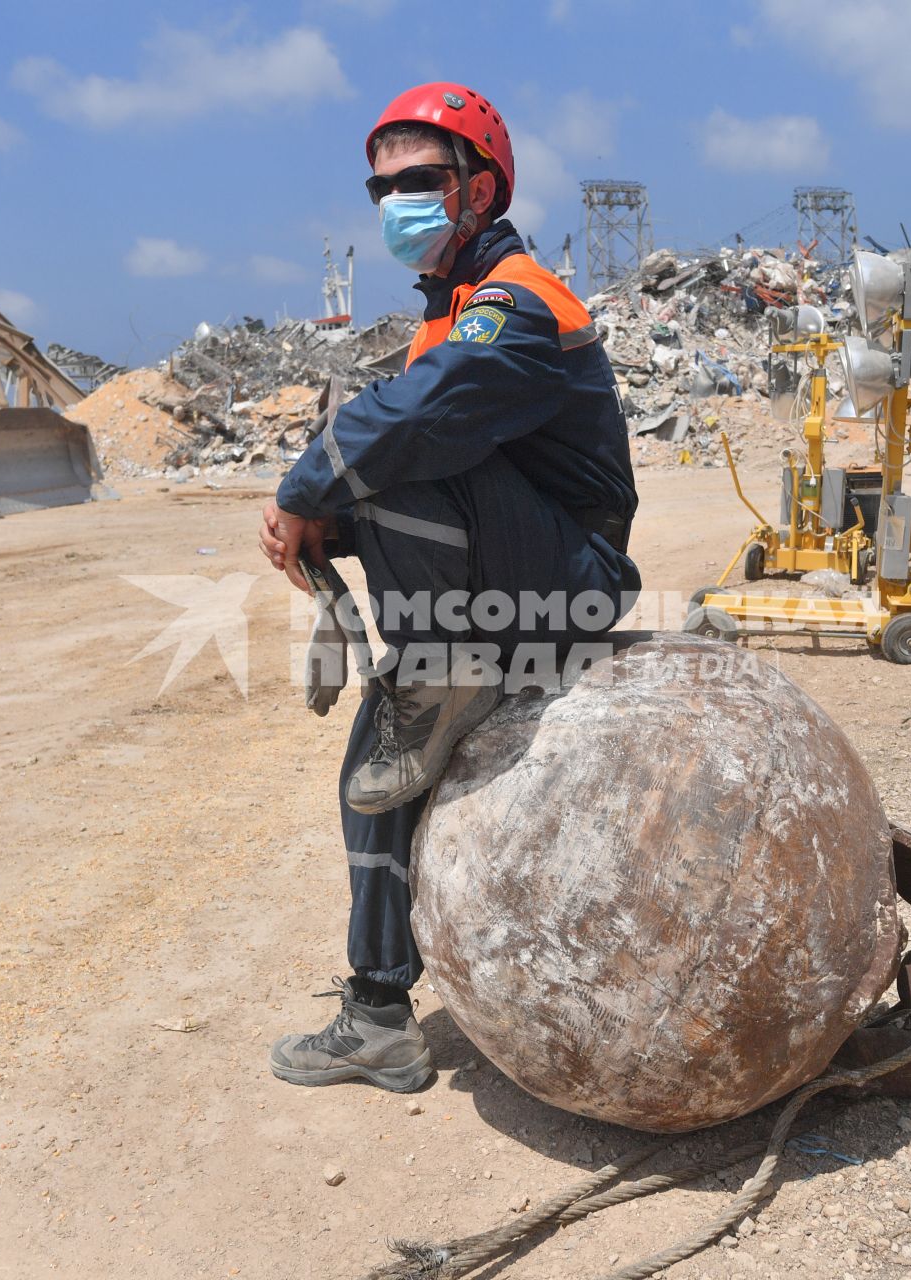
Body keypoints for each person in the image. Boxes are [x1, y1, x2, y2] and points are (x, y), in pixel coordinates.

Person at [258, 82, 640, 1092]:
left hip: (574, 584)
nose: (394, 204)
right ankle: (379, 1007)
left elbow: (427, 420)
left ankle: (440, 672)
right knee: (377, 765)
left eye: (419, 182)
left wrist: (307, 486)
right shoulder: (448, 317)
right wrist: (325, 524)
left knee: (399, 429)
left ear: (478, 188)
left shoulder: (518, 303)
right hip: (509, 582)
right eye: (380, 187)